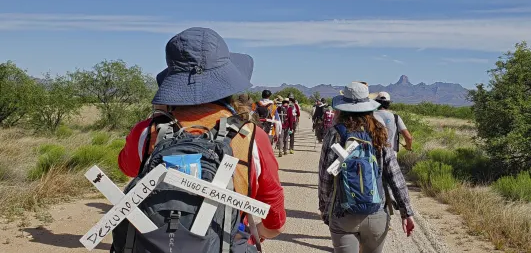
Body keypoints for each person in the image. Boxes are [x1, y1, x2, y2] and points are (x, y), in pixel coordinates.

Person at [117, 27, 286, 251]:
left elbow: (126, 167)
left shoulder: (146, 131)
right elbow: (273, 212)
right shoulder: (252, 137)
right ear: (228, 83)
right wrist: (263, 232)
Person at [318, 82, 415, 253]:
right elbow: (394, 174)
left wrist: (326, 210)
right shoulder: (379, 131)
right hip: (376, 213)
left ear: (342, 107)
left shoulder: (335, 133)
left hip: (343, 214)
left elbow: (326, 176)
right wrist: (406, 212)